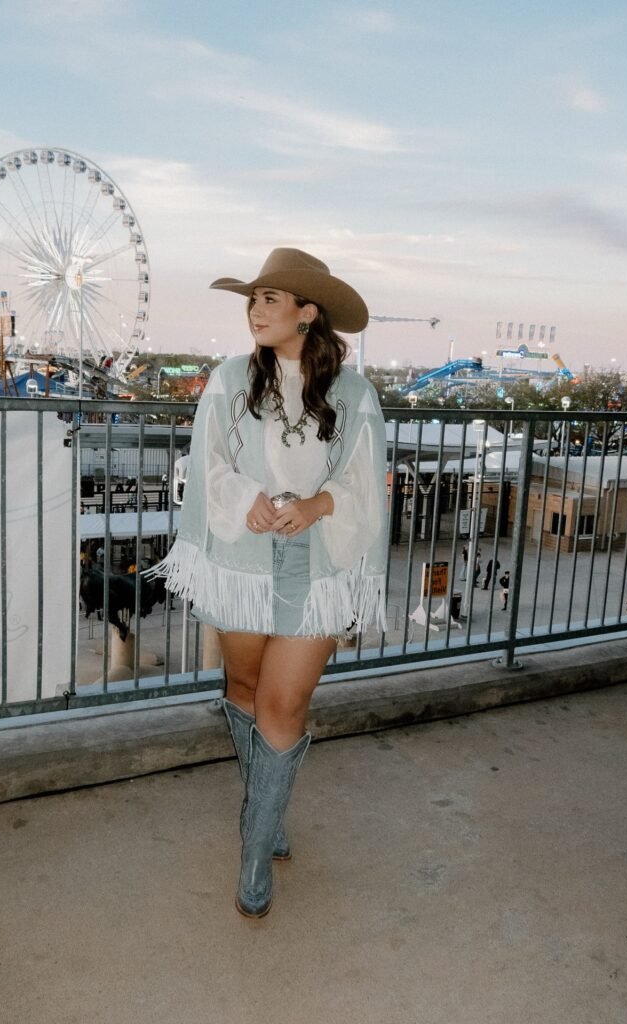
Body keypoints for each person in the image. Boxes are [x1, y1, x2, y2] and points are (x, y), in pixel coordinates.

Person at [149, 248, 387, 918]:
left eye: (270, 299)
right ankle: (265, 815)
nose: (255, 311)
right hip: (243, 561)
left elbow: (365, 481)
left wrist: (318, 504)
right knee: (245, 689)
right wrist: (246, 494)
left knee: (283, 705)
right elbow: (208, 462)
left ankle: (254, 853)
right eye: (253, 299)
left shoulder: (353, 392)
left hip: (317, 568)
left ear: (307, 313)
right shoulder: (229, 379)